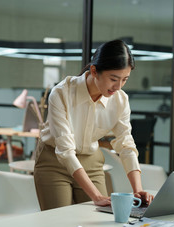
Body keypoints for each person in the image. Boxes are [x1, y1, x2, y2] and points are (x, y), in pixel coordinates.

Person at [34, 39, 154, 211]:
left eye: (125, 79)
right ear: (94, 71)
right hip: (55, 163)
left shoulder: (120, 100)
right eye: (113, 79)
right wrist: (96, 196)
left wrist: (138, 190)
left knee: (98, 218)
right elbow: (66, 152)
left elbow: (126, 144)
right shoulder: (62, 93)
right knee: (60, 221)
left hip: (91, 162)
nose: (118, 87)